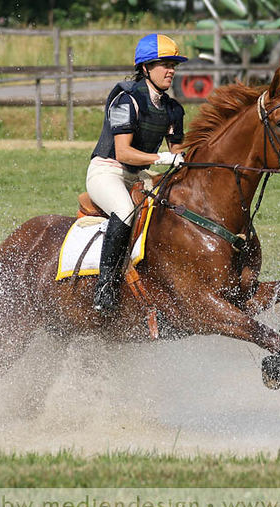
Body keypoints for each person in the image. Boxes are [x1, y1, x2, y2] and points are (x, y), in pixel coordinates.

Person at [87, 34, 188, 313]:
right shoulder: (126, 99)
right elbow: (123, 153)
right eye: (164, 64)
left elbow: (178, 152)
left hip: (139, 175)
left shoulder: (172, 108)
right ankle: (104, 288)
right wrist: (163, 157)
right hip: (108, 172)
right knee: (125, 209)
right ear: (145, 68)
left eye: (173, 65)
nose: (171, 70)